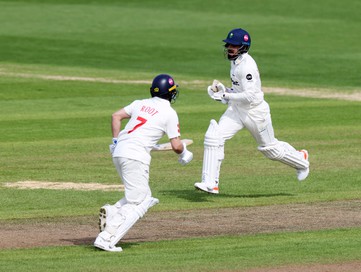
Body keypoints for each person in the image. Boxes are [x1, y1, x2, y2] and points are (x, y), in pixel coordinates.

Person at [194, 28, 309, 194]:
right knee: (214, 136)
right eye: (228, 45)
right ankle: (210, 183)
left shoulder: (247, 67)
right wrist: (222, 91)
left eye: (233, 46)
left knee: (271, 150)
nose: (229, 48)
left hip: (255, 113)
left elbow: (249, 96)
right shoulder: (235, 62)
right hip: (237, 110)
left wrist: (225, 95)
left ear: (243, 47)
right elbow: (238, 91)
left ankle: (301, 160)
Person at [94, 74, 193, 252]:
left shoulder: (140, 103)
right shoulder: (169, 113)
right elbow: (176, 145)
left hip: (119, 152)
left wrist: (115, 142)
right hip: (135, 156)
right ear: (171, 93)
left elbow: (116, 116)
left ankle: (113, 211)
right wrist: (185, 153)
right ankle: (106, 238)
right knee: (140, 202)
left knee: (142, 195)